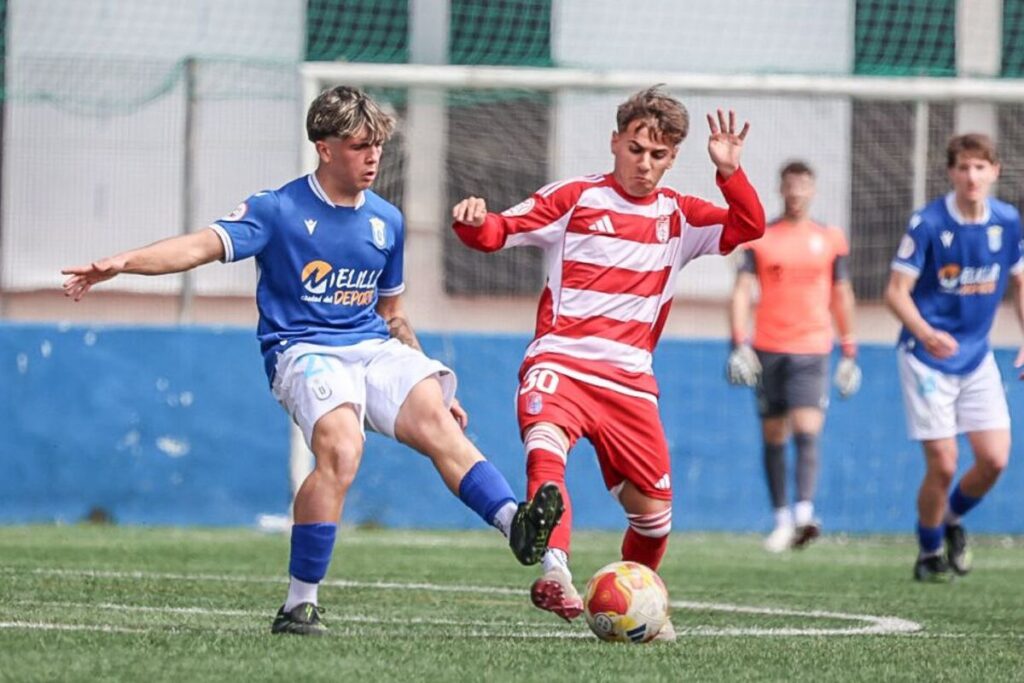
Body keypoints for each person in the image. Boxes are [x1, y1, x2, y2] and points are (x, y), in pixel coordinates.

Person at [61, 85, 564, 635]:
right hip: (302, 350)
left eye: (378, 146)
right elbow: (200, 245)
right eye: (358, 146)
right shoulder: (277, 209)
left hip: (371, 346)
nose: (373, 158)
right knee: (342, 450)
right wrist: (122, 263)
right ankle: (299, 603)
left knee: (439, 424)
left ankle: (516, 524)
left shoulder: (385, 222)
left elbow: (391, 313)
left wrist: (427, 378)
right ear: (324, 148)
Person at [451, 86, 765, 639]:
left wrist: (729, 172)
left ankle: (639, 605)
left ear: (673, 158)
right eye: (637, 149)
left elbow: (750, 226)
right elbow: (498, 232)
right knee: (545, 454)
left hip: (630, 382)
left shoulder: (680, 218)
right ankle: (557, 576)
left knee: (655, 516)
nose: (645, 164)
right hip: (562, 363)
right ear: (616, 142)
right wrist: (473, 221)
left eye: (660, 155)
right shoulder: (574, 198)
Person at [885, 132, 1023, 582]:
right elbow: (895, 293)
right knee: (943, 463)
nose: (971, 176)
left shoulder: (1007, 221)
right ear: (951, 172)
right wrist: (926, 333)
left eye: (980, 167)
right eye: (963, 167)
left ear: (995, 172)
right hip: (926, 358)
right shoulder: (927, 223)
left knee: (995, 460)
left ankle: (950, 521)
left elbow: (1020, 284)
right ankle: (928, 553)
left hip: (976, 357)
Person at [726, 161, 861, 553]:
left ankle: (804, 514)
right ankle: (781, 519)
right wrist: (739, 342)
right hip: (768, 348)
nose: (797, 192)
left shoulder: (830, 239)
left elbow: (842, 293)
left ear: (813, 189)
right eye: (791, 185)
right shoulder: (761, 238)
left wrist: (850, 348)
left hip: (813, 347)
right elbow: (741, 289)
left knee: (807, 429)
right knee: (773, 434)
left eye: (804, 185)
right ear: (781, 189)